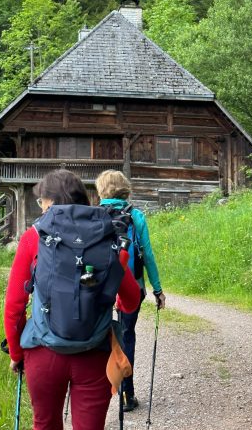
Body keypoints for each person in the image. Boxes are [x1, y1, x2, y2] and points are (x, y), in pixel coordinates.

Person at [4, 169, 140, 430]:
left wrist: (17, 352)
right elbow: (131, 300)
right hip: (94, 353)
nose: (40, 206)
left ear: (51, 201)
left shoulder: (35, 236)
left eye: (41, 200)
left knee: (45, 424)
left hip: (43, 353)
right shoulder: (106, 236)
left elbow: (14, 306)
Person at [95, 169, 166, 413]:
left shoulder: (92, 216)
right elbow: (147, 256)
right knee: (126, 336)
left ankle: (98, 396)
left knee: (98, 337)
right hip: (131, 287)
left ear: (101, 190)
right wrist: (157, 290)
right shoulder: (136, 216)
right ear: (125, 190)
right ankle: (128, 394)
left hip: (98, 288)